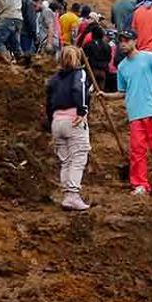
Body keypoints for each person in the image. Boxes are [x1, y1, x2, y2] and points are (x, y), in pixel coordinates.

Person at [101, 31, 152, 195]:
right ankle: (140, 184)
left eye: (126, 40)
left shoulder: (149, 58)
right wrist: (107, 96)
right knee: (137, 151)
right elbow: (123, 92)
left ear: (135, 41)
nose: (123, 44)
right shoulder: (122, 67)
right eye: (121, 41)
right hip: (135, 114)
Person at [45, 46, 92, 211]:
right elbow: (79, 89)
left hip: (57, 121)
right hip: (73, 119)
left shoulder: (54, 79)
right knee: (78, 157)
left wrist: (51, 120)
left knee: (65, 160)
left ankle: (67, 194)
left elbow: (48, 102)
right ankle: (72, 194)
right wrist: (83, 111)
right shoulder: (80, 74)